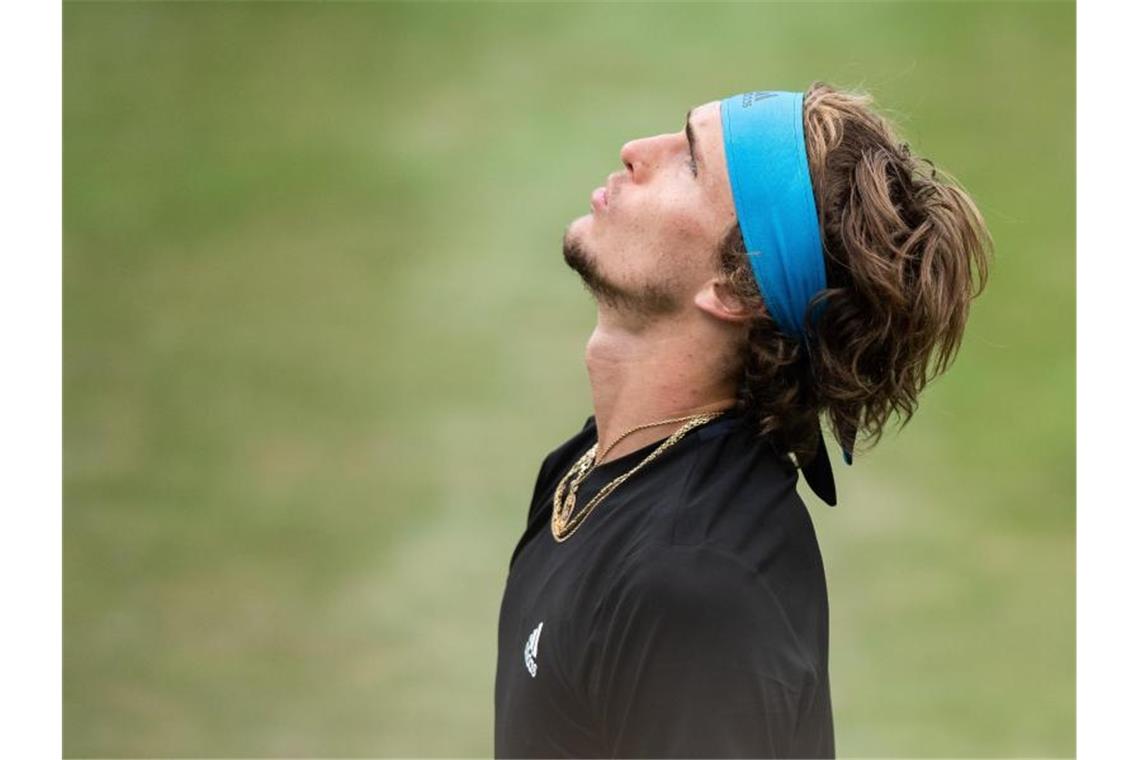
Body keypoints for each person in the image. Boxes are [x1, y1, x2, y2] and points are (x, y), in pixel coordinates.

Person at [493, 82, 991, 759]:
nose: (636, 152)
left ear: (734, 287)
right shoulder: (589, 469)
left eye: (691, 163)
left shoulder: (696, 590)